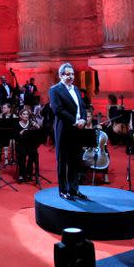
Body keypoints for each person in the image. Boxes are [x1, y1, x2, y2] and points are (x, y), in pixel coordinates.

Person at [49, 62, 88, 200]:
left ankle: (74, 189)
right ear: (61, 75)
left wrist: (83, 118)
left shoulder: (76, 89)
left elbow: (82, 107)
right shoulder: (54, 90)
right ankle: (63, 190)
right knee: (63, 160)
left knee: (75, 161)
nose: (71, 76)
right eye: (68, 74)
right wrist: (75, 121)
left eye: (72, 74)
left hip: (78, 130)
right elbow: (58, 110)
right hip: (64, 130)